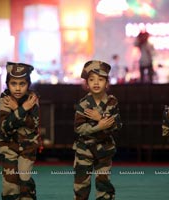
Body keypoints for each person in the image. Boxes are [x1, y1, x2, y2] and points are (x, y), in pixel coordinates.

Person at [73, 60, 122, 200]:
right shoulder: (83, 103)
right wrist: (99, 126)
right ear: (86, 83)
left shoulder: (112, 102)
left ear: (107, 83)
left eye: (100, 79)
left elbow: (117, 125)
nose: (96, 83)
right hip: (84, 150)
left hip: (104, 149)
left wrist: (100, 117)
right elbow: (79, 128)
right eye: (92, 79)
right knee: (81, 186)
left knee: (104, 184)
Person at [0, 62, 40, 200]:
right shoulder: (5, 99)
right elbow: (6, 126)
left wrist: (16, 111)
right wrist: (21, 109)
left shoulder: (32, 99)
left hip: (28, 145)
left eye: (22, 84)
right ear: (7, 84)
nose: (18, 88)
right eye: (13, 83)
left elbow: (33, 124)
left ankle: (29, 194)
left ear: (29, 84)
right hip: (8, 145)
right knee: (10, 184)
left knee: (24, 178)